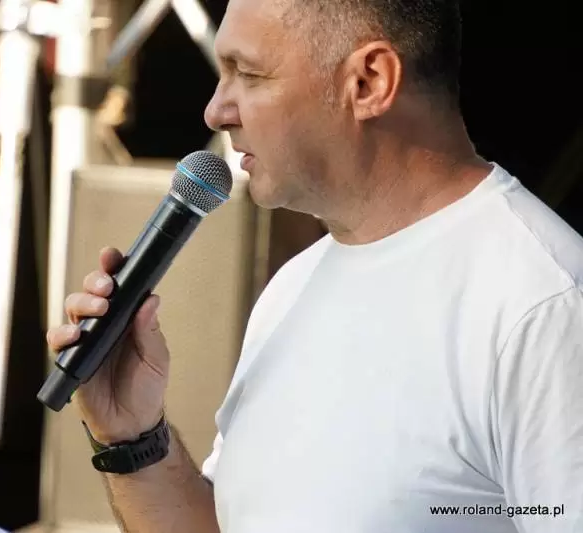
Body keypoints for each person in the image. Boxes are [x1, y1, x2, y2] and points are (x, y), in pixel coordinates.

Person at [47, 0, 583, 531]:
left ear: (368, 82)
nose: (215, 111)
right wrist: (133, 438)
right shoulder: (292, 284)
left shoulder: (543, 307)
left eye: (249, 74)